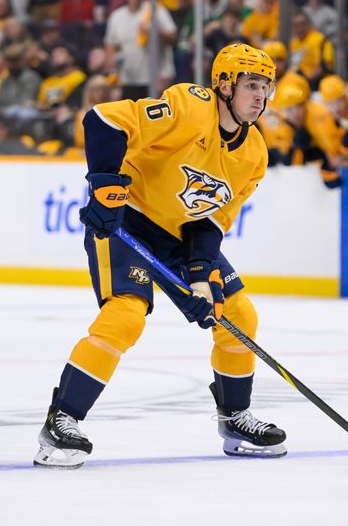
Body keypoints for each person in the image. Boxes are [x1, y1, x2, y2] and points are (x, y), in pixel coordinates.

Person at [33, 43, 286, 469]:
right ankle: (62, 420)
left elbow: (212, 220)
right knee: (127, 313)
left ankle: (234, 417)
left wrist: (202, 274)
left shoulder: (254, 153)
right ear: (224, 85)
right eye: (251, 85)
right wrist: (104, 185)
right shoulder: (190, 106)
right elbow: (103, 120)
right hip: (127, 219)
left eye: (266, 87)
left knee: (237, 313)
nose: (260, 96)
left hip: (180, 235)